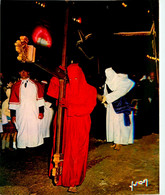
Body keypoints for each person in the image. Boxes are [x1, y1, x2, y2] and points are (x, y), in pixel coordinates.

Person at [47, 63, 97, 193]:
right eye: (70, 76)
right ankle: (60, 177)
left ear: (81, 75)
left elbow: (89, 107)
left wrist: (69, 106)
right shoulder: (65, 87)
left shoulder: (90, 89)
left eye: (76, 76)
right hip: (64, 123)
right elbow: (51, 92)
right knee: (62, 148)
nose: (73, 79)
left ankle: (73, 181)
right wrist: (57, 75)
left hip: (80, 124)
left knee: (76, 152)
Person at [97, 67, 135, 151]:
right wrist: (105, 100)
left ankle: (119, 142)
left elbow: (120, 92)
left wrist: (106, 98)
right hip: (111, 106)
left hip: (121, 106)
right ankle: (115, 141)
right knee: (113, 124)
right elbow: (105, 92)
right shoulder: (108, 81)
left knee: (119, 124)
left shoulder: (122, 81)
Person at [9, 64, 45, 149]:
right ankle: (22, 146)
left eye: (25, 71)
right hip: (21, 111)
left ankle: (34, 145)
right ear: (19, 73)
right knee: (22, 128)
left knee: (34, 127)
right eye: (21, 71)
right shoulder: (16, 85)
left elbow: (40, 99)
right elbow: (13, 101)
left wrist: (41, 111)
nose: (23, 73)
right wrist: (13, 115)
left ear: (28, 72)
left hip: (33, 110)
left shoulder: (36, 84)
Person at [139, 71, 159, 135]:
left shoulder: (156, 82)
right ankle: (147, 131)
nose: (152, 77)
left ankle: (154, 130)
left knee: (154, 116)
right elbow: (140, 84)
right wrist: (142, 79)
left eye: (153, 76)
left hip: (154, 101)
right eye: (151, 76)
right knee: (146, 116)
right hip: (146, 101)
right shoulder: (145, 82)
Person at [2, 82, 17, 151]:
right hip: (7, 120)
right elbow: (3, 111)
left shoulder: (12, 101)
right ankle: (3, 147)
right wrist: (9, 113)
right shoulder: (5, 102)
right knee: (5, 134)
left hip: (10, 119)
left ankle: (7, 146)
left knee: (9, 134)